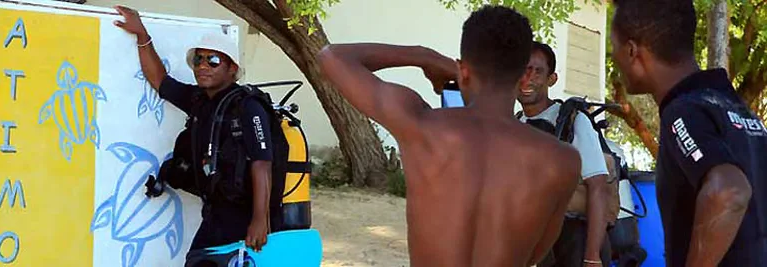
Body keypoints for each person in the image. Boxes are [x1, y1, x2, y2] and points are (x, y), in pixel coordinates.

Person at [317, 5, 581, 267]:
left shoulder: (421, 126)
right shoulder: (561, 161)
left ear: (462, 70)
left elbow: (332, 57)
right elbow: (535, 254)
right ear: (523, 76)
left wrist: (425, 57)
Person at [113, 5, 283, 263]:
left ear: (232, 69)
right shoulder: (199, 100)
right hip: (218, 211)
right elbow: (160, 81)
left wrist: (260, 220)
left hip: (245, 215)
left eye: (213, 60)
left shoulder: (249, 107)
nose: (203, 66)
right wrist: (142, 35)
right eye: (198, 59)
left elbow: (262, 163)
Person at [610, 0, 766, 266]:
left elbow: (728, 191)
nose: (614, 59)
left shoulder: (683, 112)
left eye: (614, 49)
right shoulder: (736, 109)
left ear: (632, 51)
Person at [516, 41, 613, 267]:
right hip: (540, 246)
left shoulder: (572, 121)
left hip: (576, 243)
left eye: (537, 71)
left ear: (552, 79)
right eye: (522, 69)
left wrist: (592, 258)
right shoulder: (515, 124)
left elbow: (598, 186)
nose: (527, 78)